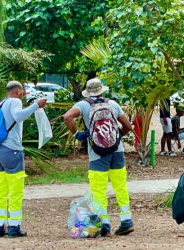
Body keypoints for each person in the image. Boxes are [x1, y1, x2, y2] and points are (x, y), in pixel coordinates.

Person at [63, 78, 134, 237]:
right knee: (120, 187)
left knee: (99, 191)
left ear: (88, 92)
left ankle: (105, 225)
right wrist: (116, 138)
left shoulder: (84, 105)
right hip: (117, 152)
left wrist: (77, 134)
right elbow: (128, 126)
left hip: (97, 154)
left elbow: (67, 117)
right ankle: (126, 221)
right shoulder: (113, 104)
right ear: (102, 90)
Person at [0, 81, 46, 238]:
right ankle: (14, 227)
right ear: (18, 91)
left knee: (0, 191)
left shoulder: (0, 104)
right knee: (15, 190)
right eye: (22, 91)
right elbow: (18, 116)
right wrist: (36, 105)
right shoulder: (15, 101)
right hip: (12, 151)